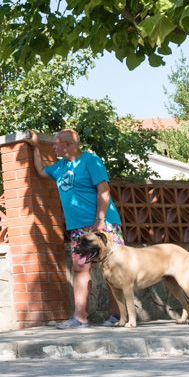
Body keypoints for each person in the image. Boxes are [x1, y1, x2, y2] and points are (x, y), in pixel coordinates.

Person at [27, 130, 124, 329]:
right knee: (80, 268)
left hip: (102, 224)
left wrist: (100, 220)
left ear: (69, 144)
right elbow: (41, 171)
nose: (53, 147)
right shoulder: (61, 166)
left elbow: (104, 190)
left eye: (56, 143)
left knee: (113, 269)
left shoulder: (91, 160)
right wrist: (36, 146)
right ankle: (80, 318)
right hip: (78, 228)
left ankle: (118, 315)